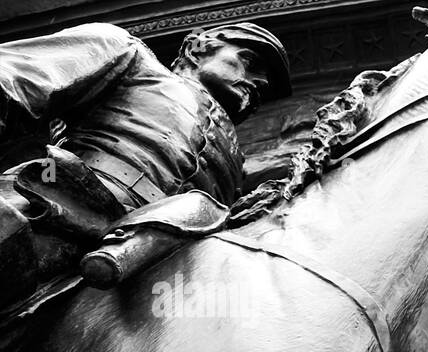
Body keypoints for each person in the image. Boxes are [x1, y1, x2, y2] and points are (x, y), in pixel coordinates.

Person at [0, 21, 291, 304]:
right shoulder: (129, 56)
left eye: (264, 89)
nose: (259, 83)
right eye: (249, 62)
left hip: (152, 267)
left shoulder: (236, 166)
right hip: (56, 200)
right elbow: (14, 79)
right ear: (196, 48)